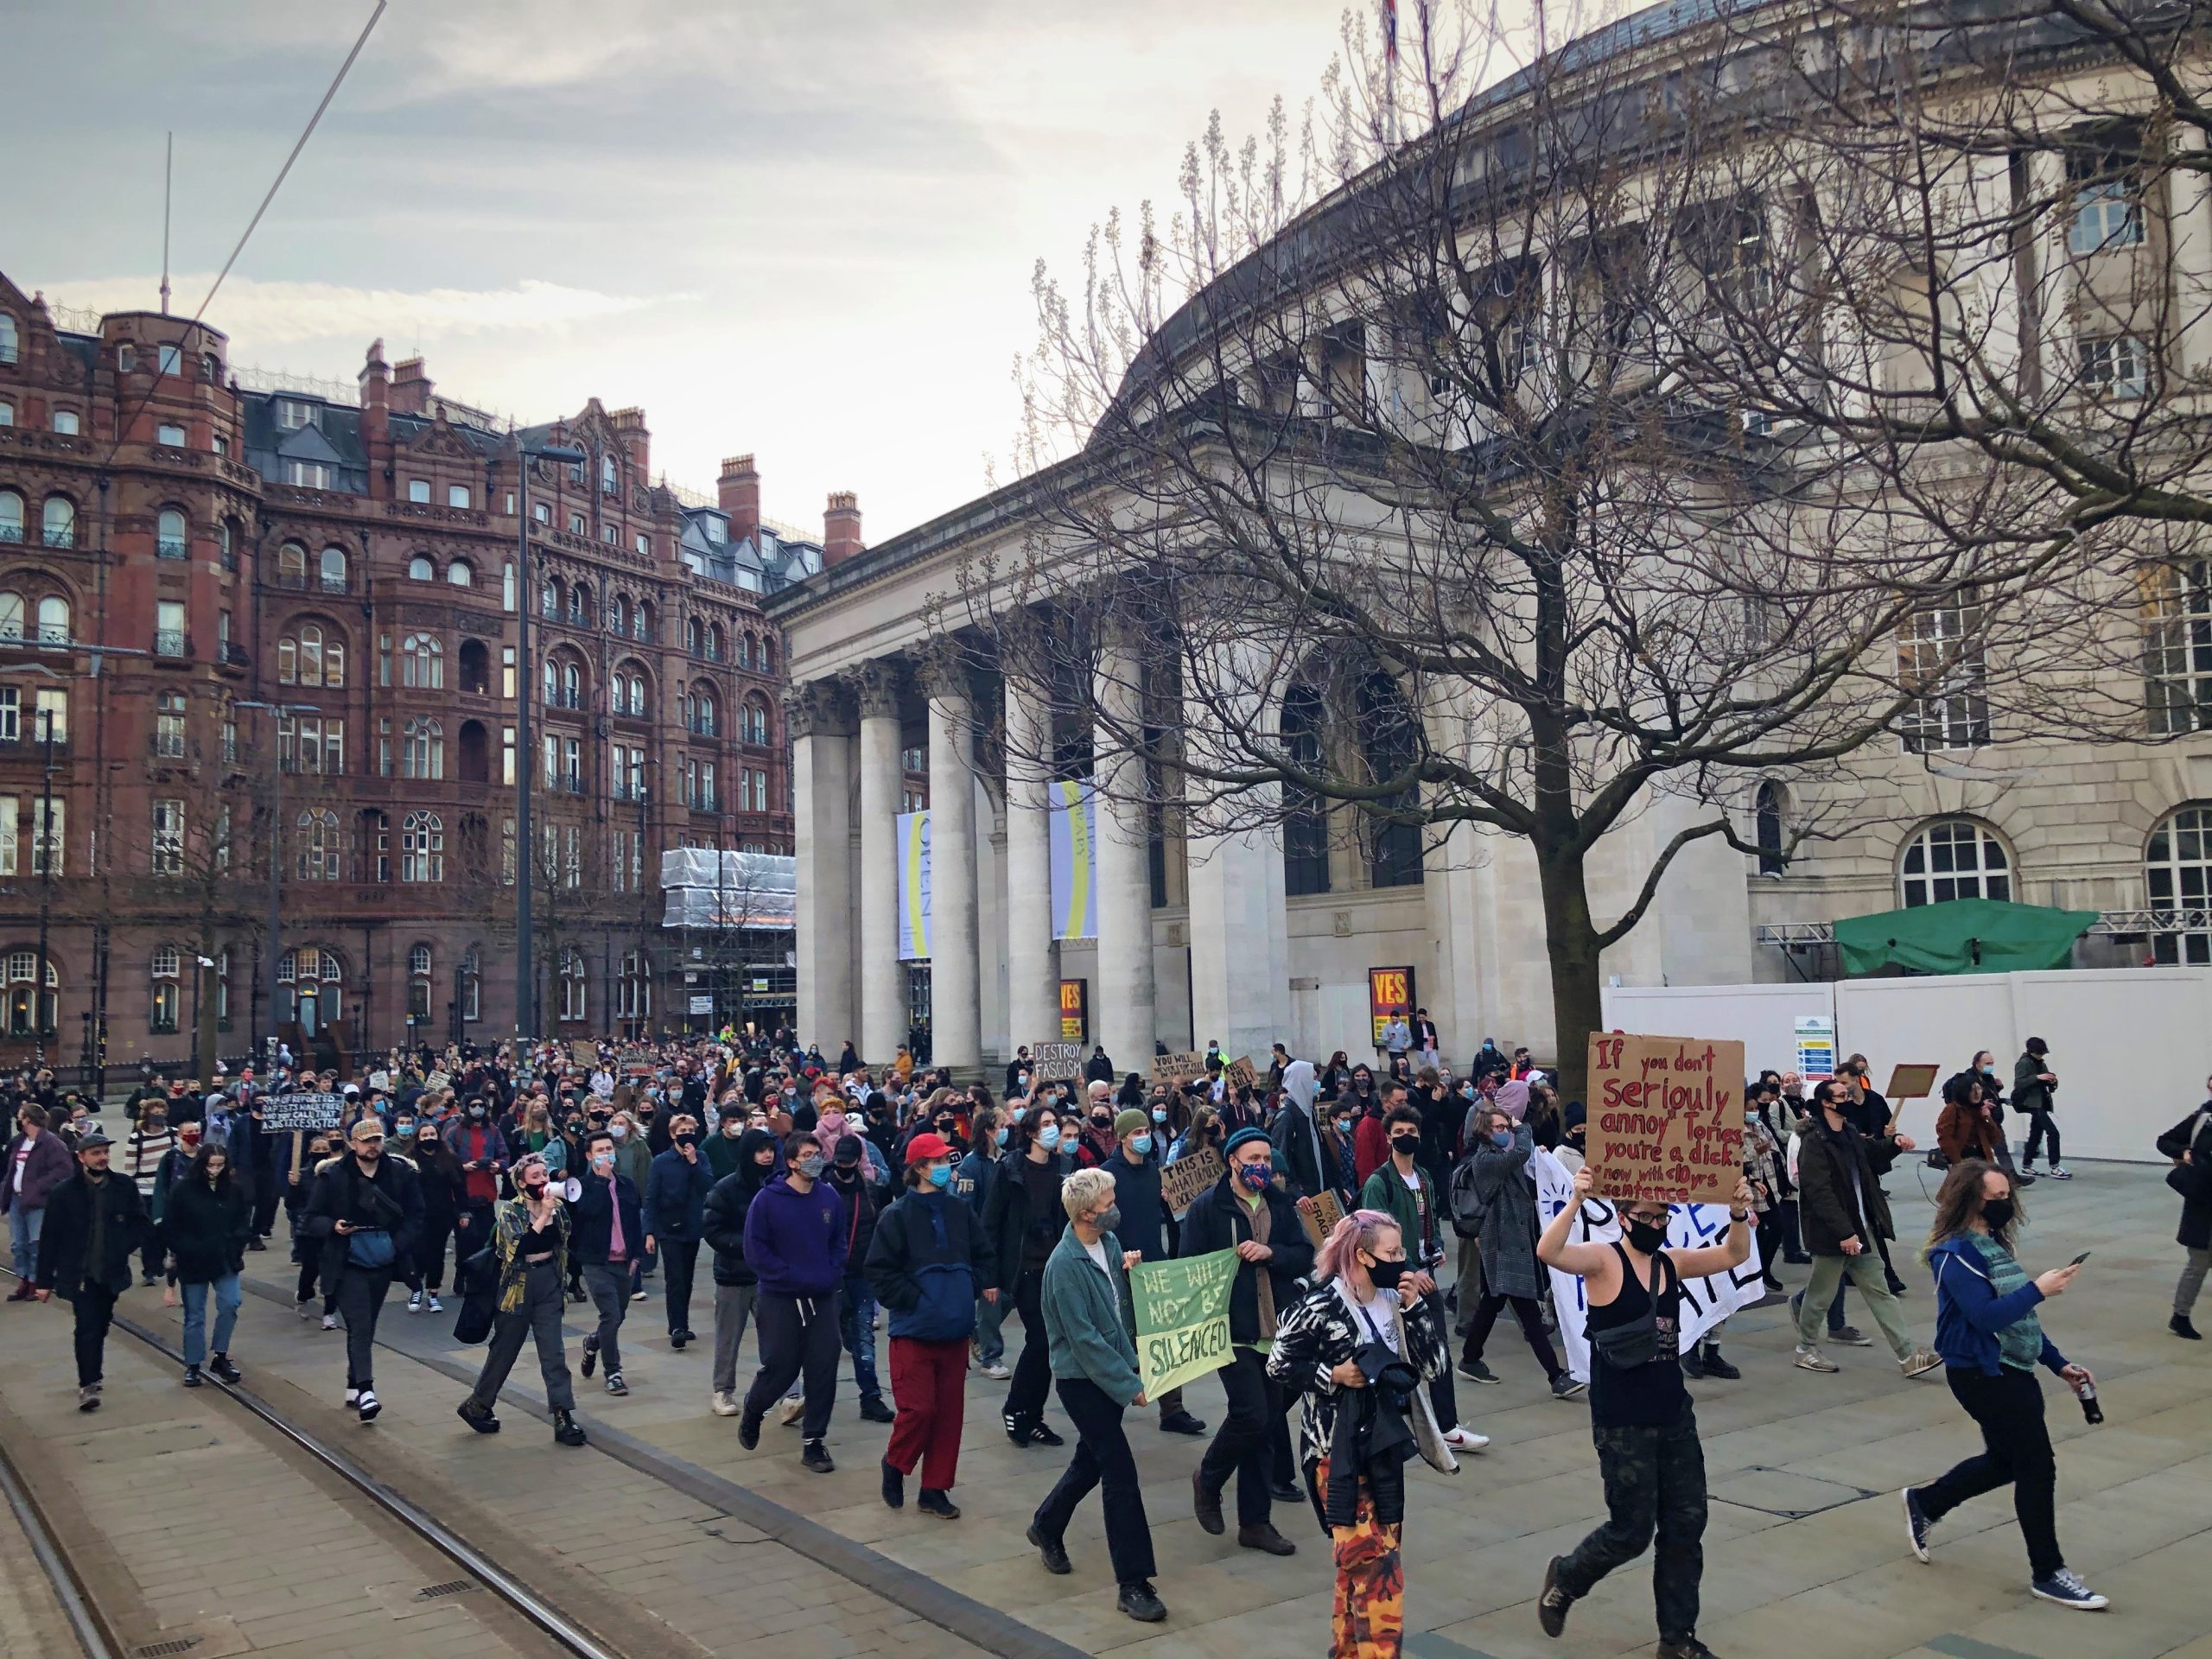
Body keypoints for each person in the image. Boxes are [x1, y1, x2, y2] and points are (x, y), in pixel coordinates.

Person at [1535, 1165, 1754, 1659]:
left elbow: (1735, 1253)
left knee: (1686, 1526)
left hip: (1673, 1414)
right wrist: (1575, 1200)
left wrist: (1738, 1211)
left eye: (1663, 1218)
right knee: (1631, 1532)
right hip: (1622, 1420)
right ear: (1622, 1216)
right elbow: (1549, 1251)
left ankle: (1677, 1640)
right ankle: (1567, 1577)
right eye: (1646, 1217)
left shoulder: (1671, 1264)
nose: (1656, 1226)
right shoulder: (1602, 1261)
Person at [1903, 1160, 2106, 1610]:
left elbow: (2021, 1321)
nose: (2006, 1205)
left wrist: (2060, 1364)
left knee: (2006, 1460)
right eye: (1996, 1198)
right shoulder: (1955, 1254)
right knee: (2036, 1465)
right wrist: (2038, 1288)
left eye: (2007, 1196)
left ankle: (1926, 1502)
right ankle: (2048, 1572)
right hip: (1981, 1374)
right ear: (1971, 1199)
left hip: (2010, 1368)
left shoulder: (1991, 1244)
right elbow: (1986, 1317)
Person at [1268, 1209, 1452, 1659]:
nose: (1402, 1260)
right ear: (1362, 1255)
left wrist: (1417, 1312)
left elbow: (1434, 1369)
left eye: (1402, 1250)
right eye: (1392, 1252)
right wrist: (1332, 1374)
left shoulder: (1396, 1299)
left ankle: (1347, 1652)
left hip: (1384, 1448)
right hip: (1335, 1454)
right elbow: (1278, 1364)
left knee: (1360, 1566)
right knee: (1377, 1569)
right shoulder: (1319, 1305)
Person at [1024, 1167, 1167, 1624]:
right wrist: (1131, 1387)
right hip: (1082, 1382)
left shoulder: (1106, 1244)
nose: (1115, 1206)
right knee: (1119, 1471)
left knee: (1092, 1459)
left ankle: (1047, 1524)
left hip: (1111, 1371)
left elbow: (1114, 1309)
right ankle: (1133, 1582)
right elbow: (1083, 1340)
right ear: (1088, 1213)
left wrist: (1130, 1274)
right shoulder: (1063, 1267)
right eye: (1109, 1201)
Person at [1181, 1125, 1317, 1554]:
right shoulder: (1209, 1208)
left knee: (1268, 1423)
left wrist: (1271, 1253)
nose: (1261, 1166)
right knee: (1251, 1414)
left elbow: (1303, 1253)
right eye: (1252, 1158)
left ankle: (1255, 1523)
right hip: (1232, 1331)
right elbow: (1190, 1267)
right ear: (1232, 1162)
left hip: (1275, 1330)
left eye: (1265, 1159)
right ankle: (1210, 1476)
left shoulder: (1278, 1204)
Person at [865, 1132, 994, 1517]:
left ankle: (935, 1488)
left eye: (945, 1162)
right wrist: (916, 1299)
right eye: (937, 1162)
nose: (944, 1168)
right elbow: (879, 1271)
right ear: (919, 1168)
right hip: (914, 1332)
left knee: (949, 1414)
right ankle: (896, 1463)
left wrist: (974, 1284)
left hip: (954, 1330)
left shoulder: (959, 1210)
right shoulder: (896, 1215)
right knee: (918, 1410)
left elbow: (983, 1252)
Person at [1790, 1077, 1942, 1379]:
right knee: (1821, 1295)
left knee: (1880, 1292)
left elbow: (1870, 1155)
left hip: (1861, 1228)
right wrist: (1844, 1233)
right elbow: (1819, 1192)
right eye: (1842, 1095)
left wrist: (1894, 1145)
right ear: (1826, 1102)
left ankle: (1907, 1355)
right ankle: (1805, 1348)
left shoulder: (1847, 1132)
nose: (1849, 1099)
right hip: (1834, 1233)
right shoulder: (1814, 1141)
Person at [1363, 1103, 1495, 1443]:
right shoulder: (1380, 1183)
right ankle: (1387, 1425)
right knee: (1390, 1355)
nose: (1406, 1138)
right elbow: (1376, 1237)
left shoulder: (1422, 1178)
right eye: (1399, 1133)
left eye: (1411, 1132)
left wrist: (1434, 1247)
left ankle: (1447, 1426)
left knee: (1437, 1351)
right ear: (1388, 1137)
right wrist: (1408, 1270)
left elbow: (1431, 1220)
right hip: (1393, 1284)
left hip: (1424, 1278)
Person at [456, 1153, 589, 1446]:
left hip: (548, 1285)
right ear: (520, 1183)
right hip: (516, 1288)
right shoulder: (510, 1212)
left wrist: (551, 1214)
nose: (543, 1180)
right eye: (536, 1176)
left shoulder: (559, 1208)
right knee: (505, 1350)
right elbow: (520, 1247)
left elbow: (565, 1239)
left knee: (553, 1353)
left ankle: (562, 1414)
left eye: (545, 1175)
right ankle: (477, 1404)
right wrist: (542, 1216)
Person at [301, 1114, 423, 1422]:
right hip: (346, 1260)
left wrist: (398, 1245)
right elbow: (311, 1217)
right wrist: (333, 1226)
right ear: (353, 1144)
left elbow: (416, 1214)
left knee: (365, 1323)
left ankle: (354, 1383)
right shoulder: (334, 1176)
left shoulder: (398, 1173)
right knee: (361, 1323)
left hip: (383, 1259)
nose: (373, 1146)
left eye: (377, 1140)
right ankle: (367, 1391)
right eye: (367, 1141)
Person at [737, 1131, 847, 1472]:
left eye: (818, 1153)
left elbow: (839, 1243)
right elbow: (756, 1250)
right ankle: (754, 1409)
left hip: (822, 1297)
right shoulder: (768, 1200)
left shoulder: (829, 1198)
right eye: (808, 1154)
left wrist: (830, 1274)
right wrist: (789, 1277)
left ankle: (814, 1441)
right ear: (792, 1161)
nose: (816, 1159)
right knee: (781, 1365)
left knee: (824, 1366)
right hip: (780, 1297)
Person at [1454, 1105, 1581, 1399]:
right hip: (1502, 1242)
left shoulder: (1498, 1158)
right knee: (1527, 1310)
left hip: (1511, 1239)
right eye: (1499, 1128)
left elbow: (1528, 1177)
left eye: (1506, 1128)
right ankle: (1555, 1375)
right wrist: (1522, 1128)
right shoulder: (1485, 1160)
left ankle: (1471, 1358)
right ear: (1484, 1131)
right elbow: (1521, 1153)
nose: (1505, 1132)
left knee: (1494, 1301)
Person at [1105, 1107, 1206, 1436]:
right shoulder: (1108, 1175)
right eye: (1137, 1132)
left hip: (1155, 1265)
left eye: (1146, 1130)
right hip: (1122, 1267)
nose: (1144, 1136)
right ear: (1122, 1138)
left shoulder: (1153, 1172)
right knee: (1125, 1340)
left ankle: (1172, 1409)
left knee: (1165, 1338)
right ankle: (1111, 1404)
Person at [29, 1132, 148, 1411]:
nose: (102, 1157)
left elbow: (139, 1224)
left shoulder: (123, 1186)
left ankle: (92, 1370)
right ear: (81, 1157)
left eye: (105, 1152)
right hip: (79, 1274)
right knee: (87, 1328)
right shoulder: (63, 1193)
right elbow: (50, 1239)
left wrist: (123, 1245)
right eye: (95, 1153)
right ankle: (89, 1384)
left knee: (101, 1323)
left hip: (111, 1271)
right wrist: (43, 1281)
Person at [983, 1105, 1072, 1449]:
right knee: (1040, 1339)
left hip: (1056, 1267)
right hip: (1024, 1267)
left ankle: (1032, 1416)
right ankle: (1016, 1408)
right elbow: (991, 1222)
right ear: (1032, 1132)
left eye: (1056, 1123)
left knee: (1050, 1344)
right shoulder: (1010, 1169)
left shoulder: (1063, 1168)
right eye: (1047, 1124)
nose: (1054, 1129)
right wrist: (990, 1276)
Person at [161, 1138, 251, 1387]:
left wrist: (236, 1243)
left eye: (220, 1165)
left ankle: (220, 1355)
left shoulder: (233, 1188)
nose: (215, 1170)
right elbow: (171, 1225)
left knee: (231, 1303)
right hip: (194, 1260)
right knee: (195, 1315)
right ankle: (192, 1363)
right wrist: (186, 1248)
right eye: (211, 1165)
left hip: (224, 1257)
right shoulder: (184, 1189)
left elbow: (243, 1220)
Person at [704, 1128, 779, 1414]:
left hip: (769, 1275)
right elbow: (712, 1229)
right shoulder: (726, 1188)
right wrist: (746, 1246)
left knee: (777, 1336)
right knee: (728, 1337)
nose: (767, 1155)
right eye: (761, 1150)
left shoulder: (778, 1184)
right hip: (733, 1274)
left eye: (770, 1149)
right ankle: (722, 1391)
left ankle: (786, 1392)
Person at [823, 1134, 894, 1422]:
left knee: (864, 1339)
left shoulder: (867, 1189)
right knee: (826, 1341)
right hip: (828, 1278)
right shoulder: (823, 1188)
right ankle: (812, 1397)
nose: (843, 1166)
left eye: (848, 1161)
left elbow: (877, 1226)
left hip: (861, 1274)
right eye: (840, 1160)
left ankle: (871, 1397)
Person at [571, 1128, 645, 1396]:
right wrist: (601, 1182)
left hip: (624, 1261)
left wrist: (636, 1255)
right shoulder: (582, 1186)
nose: (606, 1155)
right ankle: (613, 1372)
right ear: (590, 1155)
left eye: (609, 1149)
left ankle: (593, 1342)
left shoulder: (627, 1184)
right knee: (610, 1314)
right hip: (596, 1261)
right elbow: (589, 1212)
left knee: (618, 1316)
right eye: (600, 1151)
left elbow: (635, 1222)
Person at [644, 1114, 713, 1349]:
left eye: (690, 1130)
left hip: (692, 1226)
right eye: (682, 1130)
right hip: (668, 1227)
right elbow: (651, 1198)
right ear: (673, 1134)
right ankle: (677, 1326)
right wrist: (649, 1232)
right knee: (675, 1278)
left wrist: (693, 1162)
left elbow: (707, 1186)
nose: (686, 1134)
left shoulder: (701, 1157)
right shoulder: (662, 1162)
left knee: (688, 1277)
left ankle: (682, 1322)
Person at [956, 1106, 1010, 1379]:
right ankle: (991, 1355)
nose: (1007, 1129)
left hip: (1006, 1239)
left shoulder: (1005, 1159)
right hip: (984, 1242)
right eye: (1002, 1124)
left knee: (1009, 1295)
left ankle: (977, 1332)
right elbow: (966, 1207)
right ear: (989, 1130)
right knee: (992, 1297)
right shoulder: (971, 1164)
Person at [2157, 1085, 2212, 1340]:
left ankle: (2180, 1316)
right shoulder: (2202, 1118)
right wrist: (2183, 1152)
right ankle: (2180, 1316)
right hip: (2203, 1204)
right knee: (2198, 1264)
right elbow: (2165, 1140)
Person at [3, 1102, 74, 1295]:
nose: (17, 1119)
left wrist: (38, 1187)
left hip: (39, 1201)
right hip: (17, 1200)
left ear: (28, 1119)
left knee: (36, 1243)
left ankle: (37, 1280)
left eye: (20, 1116)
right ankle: (23, 1278)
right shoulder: (18, 1141)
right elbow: (10, 1172)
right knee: (18, 1244)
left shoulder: (52, 1143)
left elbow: (64, 1171)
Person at [119, 1101, 177, 1286]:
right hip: (145, 1191)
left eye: (162, 1112)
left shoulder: (173, 1134)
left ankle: (159, 1261)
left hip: (168, 1191)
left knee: (163, 1231)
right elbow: (130, 1168)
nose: (159, 1115)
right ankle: (150, 1270)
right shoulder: (137, 1138)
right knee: (149, 1233)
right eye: (155, 1112)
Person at [407, 1120, 461, 1314]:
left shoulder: (449, 1158)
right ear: (418, 1139)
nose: (429, 1138)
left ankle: (433, 1293)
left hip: (442, 1214)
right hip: (418, 1215)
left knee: (437, 1254)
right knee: (418, 1253)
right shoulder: (410, 1159)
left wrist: (462, 1211)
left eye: (432, 1135)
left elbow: (459, 1186)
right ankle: (416, 1288)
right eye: (425, 1135)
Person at [2013, 1038, 2069, 1180]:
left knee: (2035, 1135)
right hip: (2032, 1103)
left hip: (2042, 1102)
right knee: (2053, 1133)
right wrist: (2038, 1077)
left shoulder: (2041, 1063)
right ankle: (2055, 1167)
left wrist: (2052, 1081)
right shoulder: (2023, 1063)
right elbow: (2019, 1083)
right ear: (2032, 1051)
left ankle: (2026, 1165)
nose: (2041, 1056)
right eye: (2039, 1053)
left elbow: (2047, 1084)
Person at [1936, 1075, 2001, 1167]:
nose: (1977, 1093)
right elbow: (1945, 1137)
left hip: (1982, 1157)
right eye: (1972, 1090)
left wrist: (1988, 1119)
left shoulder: (1980, 1110)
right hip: (1962, 1157)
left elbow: (1995, 1138)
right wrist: (1956, 1161)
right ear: (1964, 1091)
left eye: (1979, 1089)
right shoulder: (1953, 1109)